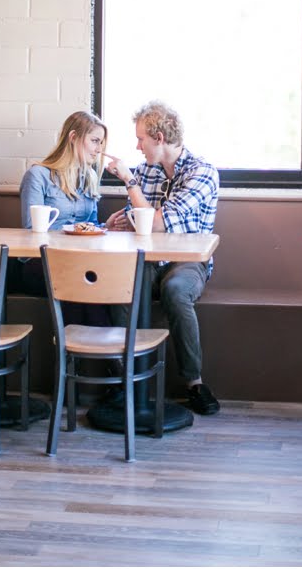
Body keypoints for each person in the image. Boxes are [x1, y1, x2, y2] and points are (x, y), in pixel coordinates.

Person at [103, 100, 221, 416]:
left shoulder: (202, 172)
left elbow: (156, 223)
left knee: (176, 290)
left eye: (141, 138)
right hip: (149, 258)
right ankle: (126, 379)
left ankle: (194, 383)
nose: (137, 146)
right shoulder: (147, 171)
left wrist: (129, 184)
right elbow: (137, 217)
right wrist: (120, 220)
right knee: (125, 282)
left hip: (188, 260)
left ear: (158, 137)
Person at [12, 111, 111, 327]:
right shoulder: (38, 175)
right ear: (73, 137)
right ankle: (114, 356)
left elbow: (91, 227)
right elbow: (32, 230)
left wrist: (107, 226)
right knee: (79, 279)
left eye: (101, 143)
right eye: (95, 141)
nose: (99, 149)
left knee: (95, 279)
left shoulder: (90, 177)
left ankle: (80, 355)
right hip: (39, 263)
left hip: (78, 261)